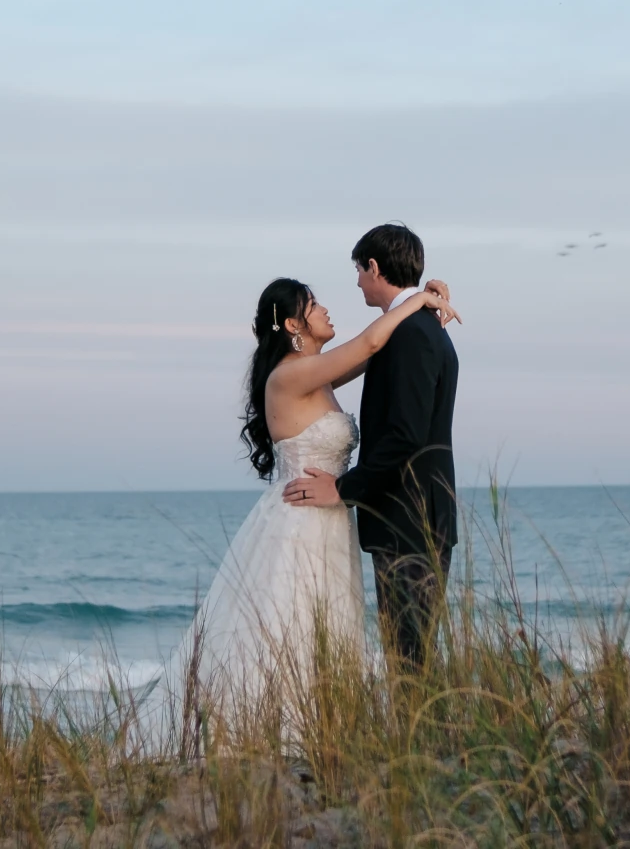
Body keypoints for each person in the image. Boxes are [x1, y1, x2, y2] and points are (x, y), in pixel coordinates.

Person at [140, 269, 457, 749]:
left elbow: (387, 351)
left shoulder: (319, 373)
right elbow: (372, 344)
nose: (325, 309)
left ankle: (322, 733)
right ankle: (268, 734)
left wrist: (426, 310)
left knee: (322, 625)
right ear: (292, 325)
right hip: (300, 522)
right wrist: (419, 300)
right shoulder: (289, 376)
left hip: (330, 521)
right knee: (289, 623)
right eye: (312, 305)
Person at [283, 223, 458, 668]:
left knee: (410, 661)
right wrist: (426, 295)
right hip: (413, 518)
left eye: (359, 271)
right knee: (412, 657)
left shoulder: (412, 334)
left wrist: (342, 490)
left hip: (409, 520)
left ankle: (424, 741)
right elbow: (363, 350)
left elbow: (405, 436)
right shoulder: (413, 328)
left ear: (374, 267)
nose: (357, 281)